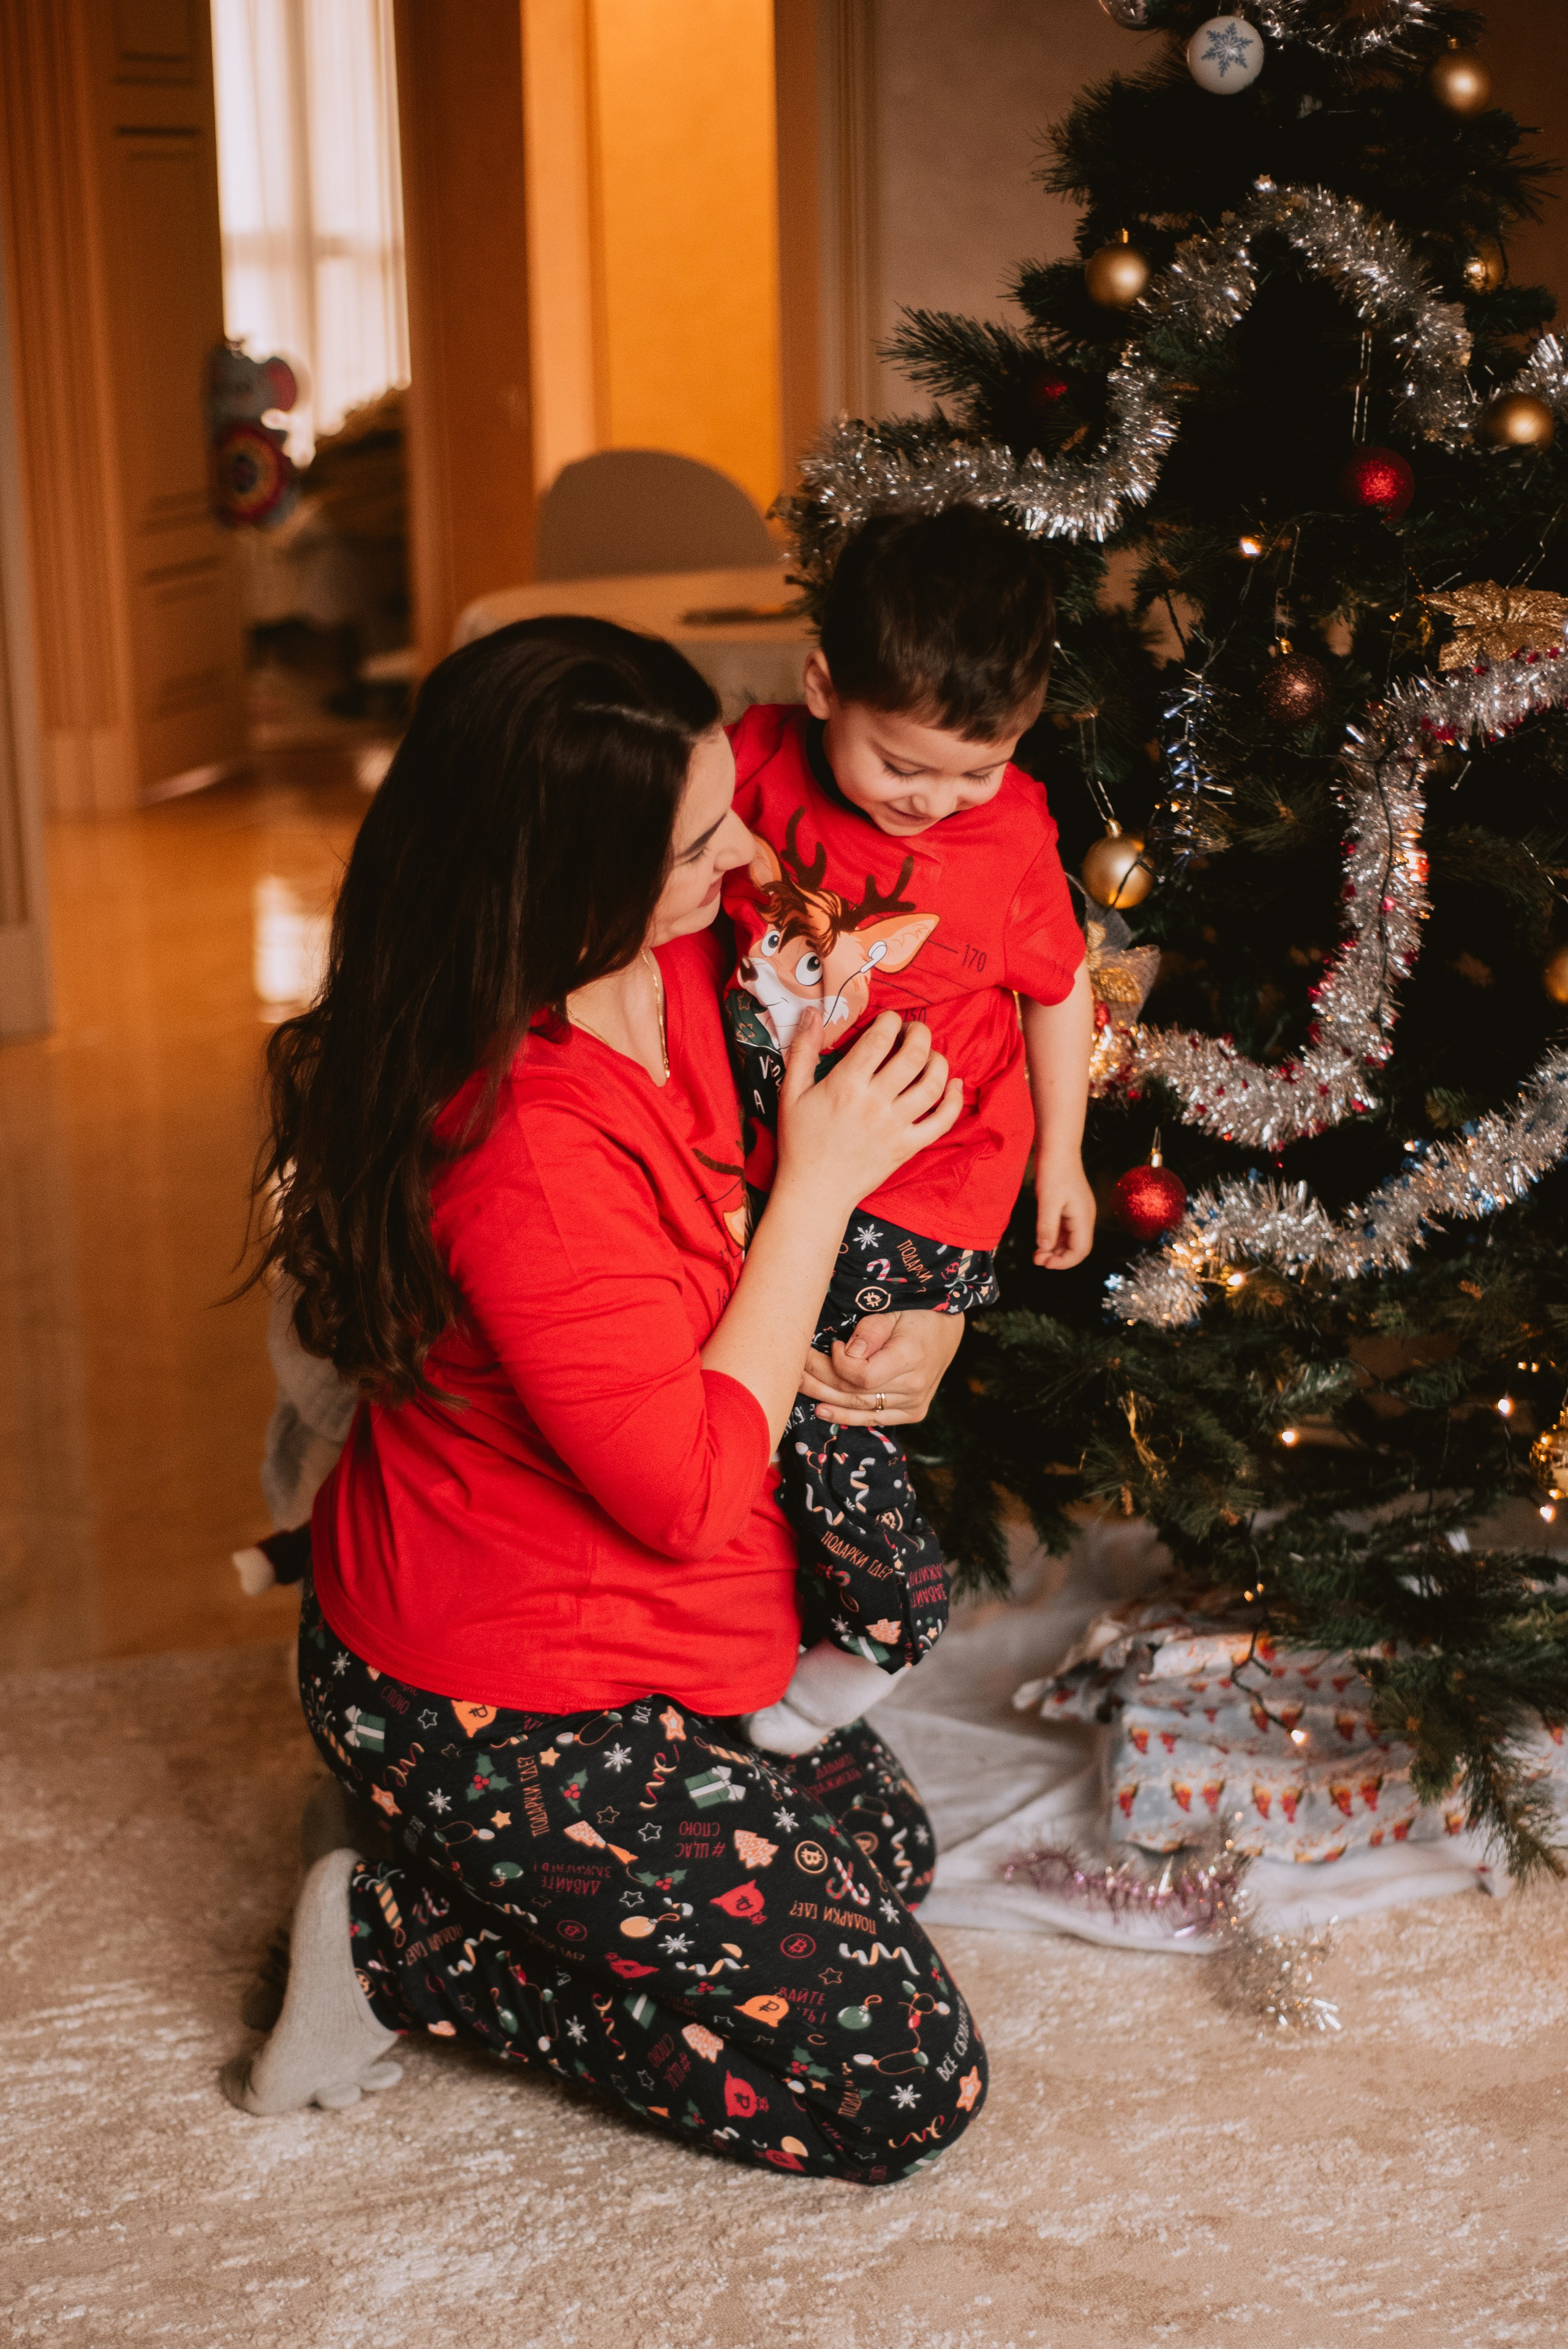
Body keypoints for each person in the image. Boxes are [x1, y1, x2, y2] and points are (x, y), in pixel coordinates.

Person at [225, 616, 990, 2184]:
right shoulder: (517, 1152)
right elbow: (693, 1489)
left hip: (640, 1634)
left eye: (723, 808)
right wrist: (822, 1195)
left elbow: (734, 1252)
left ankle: (462, 1875)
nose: (745, 852)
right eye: (695, 840)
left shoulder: (675, 952)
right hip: (491, 1701)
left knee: (890, 1852)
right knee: (901, 2091)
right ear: (556, 880)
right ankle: (396, 1943)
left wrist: (919, 1328)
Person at [722, 505, 1094, 1755]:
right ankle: (740, 1619)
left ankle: (876, 1626)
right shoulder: (751, 765)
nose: (935, 802)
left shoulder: (1010, 836)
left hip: (927, 1176)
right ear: (822, 686)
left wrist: (1060, 1152)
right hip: (778, 1141)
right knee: (738, 1382)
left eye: (974, 770)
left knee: (832, 1393)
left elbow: (1057, 983)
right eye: (902, 766)